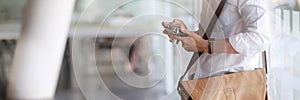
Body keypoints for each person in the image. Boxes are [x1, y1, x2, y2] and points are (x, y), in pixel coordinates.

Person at [162, 0, 270, 79]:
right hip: (205, 82)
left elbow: (259, 39)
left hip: (231, 85)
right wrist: (186, 34)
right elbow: (207, 36)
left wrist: (206, 46)